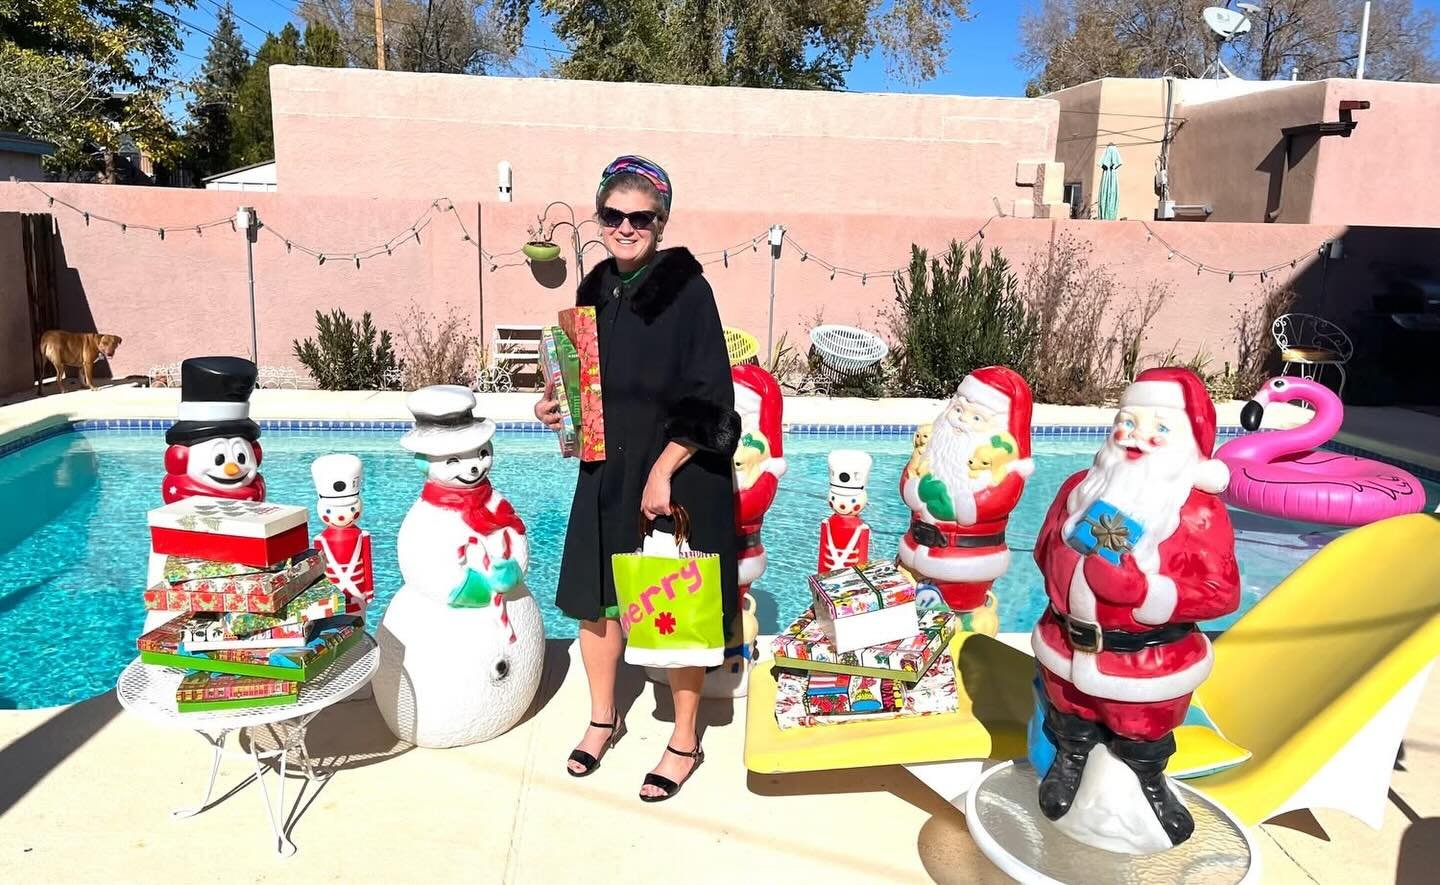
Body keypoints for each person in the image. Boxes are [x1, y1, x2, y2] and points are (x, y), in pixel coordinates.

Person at [535, 155, 740, 802]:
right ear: (600, 217)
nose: (626, 227)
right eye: (613, 215)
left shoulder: (688, 290)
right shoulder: (593, 287)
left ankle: (684, 737)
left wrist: (662, 472)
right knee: (599, 601)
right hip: (605, 466)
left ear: (661, 220)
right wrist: (556, 405)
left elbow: (712, 397)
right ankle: (604, 717)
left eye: (640, 217)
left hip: (673, 473)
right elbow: (587, 385)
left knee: (673, 607)